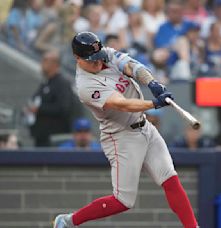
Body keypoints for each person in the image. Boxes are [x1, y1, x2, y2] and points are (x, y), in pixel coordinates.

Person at [53, 32, 198, 228]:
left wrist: (152, 83)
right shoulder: (85, 85)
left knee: (170, 179)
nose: (97, 62)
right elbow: (121, 104)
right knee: (123, 201)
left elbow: (133, 66)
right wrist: (153, 103)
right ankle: (69, 221)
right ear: (77, 58)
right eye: (91, 60)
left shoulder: (105, 54)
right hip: (121, 136)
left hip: (144, 127)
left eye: (98, 57)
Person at [28, 51, 74, 147]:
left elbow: (63, 108)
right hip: (41, 135)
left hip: (54, 138)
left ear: (54, 64)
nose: (42, 63)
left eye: (45, 60)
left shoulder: (62, 83)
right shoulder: (45, 83)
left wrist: (39, 109)